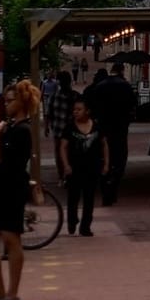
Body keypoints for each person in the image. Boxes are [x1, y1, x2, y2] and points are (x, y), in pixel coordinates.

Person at [0, 83, 35, 300]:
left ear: (21, 103)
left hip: (12, 188)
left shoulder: (22, 131)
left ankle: (12, 293)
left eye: (10, 101)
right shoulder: (10, 127)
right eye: (5, 101)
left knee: (11, 238)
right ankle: (0, 290)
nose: (6, 105)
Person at [91, 64, 136, 205]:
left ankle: (105, 190)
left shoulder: (100, 86)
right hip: (121, 129)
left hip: (104, 129)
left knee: (104, 160)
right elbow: (133, 105)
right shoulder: (126, 86)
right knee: (120, 160)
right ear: (122, 71)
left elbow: (94, 107)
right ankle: (114, 188)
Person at [61, 99, 105, 235]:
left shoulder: (96, 126)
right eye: (74, 110)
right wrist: (66, 165)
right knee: (73, 197)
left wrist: (106, 163)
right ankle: (72, 221)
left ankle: (86, 226)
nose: (76, 112)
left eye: (79, 110)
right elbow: (63, 147)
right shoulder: (69, 127)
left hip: (92, 167)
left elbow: (104, 144)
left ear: (87, 111)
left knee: (89, 197)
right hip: (75, 167)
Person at [44, 70, 74, 184]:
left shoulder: (54, 96)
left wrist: (47, 127)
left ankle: (62, 176)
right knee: (68, 152)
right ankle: (65, 175)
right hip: (67, 130)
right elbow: (48, 113)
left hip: (59, 129)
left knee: (60, 153)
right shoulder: (74, 96)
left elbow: (48, 113)